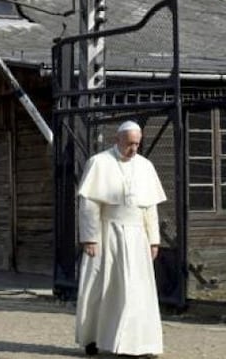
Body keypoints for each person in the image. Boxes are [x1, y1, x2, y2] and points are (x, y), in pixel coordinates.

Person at [75, 120, 166, 358]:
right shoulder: (99, 163)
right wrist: (90, 237)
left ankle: (140, 344)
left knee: (137, 291)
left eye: (137, 144)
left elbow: (150, 208)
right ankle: (93, 338)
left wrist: (154, 240)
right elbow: (89, 204)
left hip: (137, 236)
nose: (133, 149)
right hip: (108, 234)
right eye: (129, 144)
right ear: (117, 140)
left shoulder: (145, 166)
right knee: (101, 288)